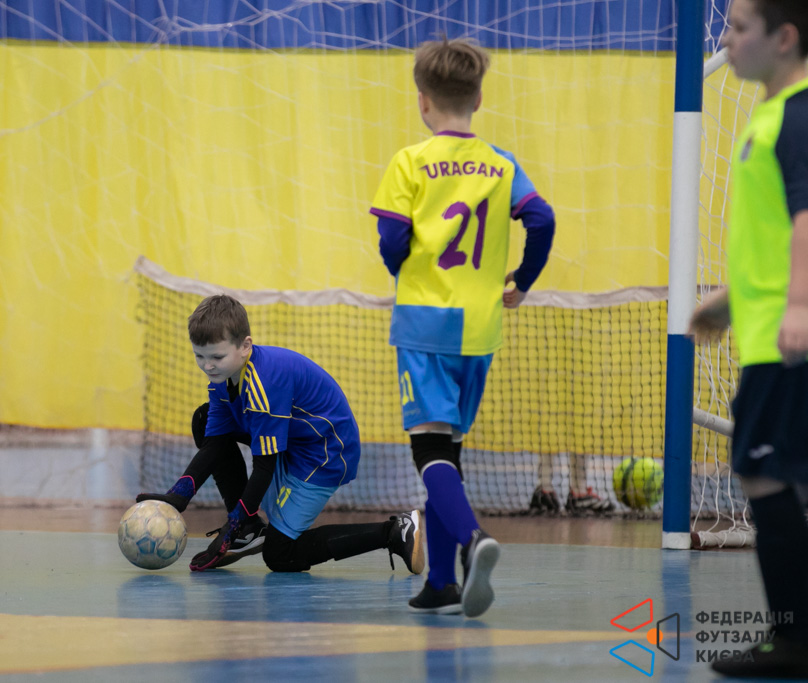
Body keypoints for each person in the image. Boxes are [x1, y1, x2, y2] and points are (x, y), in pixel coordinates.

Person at [370, 38, 555, 615]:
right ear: (477, 98)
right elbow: (542, 218)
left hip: (425, 322)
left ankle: (474, 541)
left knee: (428, 449)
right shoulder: (501, 164)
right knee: (448, 452)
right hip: (480, 326)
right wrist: (523, 280)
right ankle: (441, 583)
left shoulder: (410, 161)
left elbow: (391, 237)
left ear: (422, 101)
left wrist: (404, 268)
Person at [688, 0, 808, 677]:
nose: (726, 39)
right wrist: (729, 301)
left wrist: (800, 306)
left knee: (763, 473)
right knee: (780, 474)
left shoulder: (798, 116)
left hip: (785, 342)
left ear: (783, 37)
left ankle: (793, 637)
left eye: (739, 28)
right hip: (765, 331)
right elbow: (774, 233)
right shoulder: (768, 117)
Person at [137, 294, 424, 576]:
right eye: (199, 356)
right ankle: (249, 530)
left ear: (245, 346)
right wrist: (179, 496)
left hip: (324, 451)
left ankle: (393, 531)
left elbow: (265, 466)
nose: (207, 365)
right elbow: (214, 443)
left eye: (216, 356)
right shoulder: (222, 378)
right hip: (292, 440)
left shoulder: (265, 384)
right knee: (204, 419)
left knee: (280, 554)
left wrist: (234, 524)